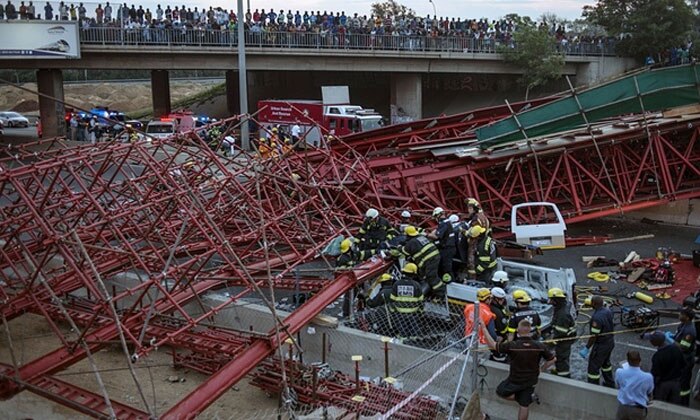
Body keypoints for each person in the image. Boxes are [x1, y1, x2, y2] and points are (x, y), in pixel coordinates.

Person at [480, 318, 556, 420]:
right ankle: (526, 398)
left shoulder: (513, 345)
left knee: (500, 391)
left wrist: (484, 328)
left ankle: (524, 398)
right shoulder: (539, 345)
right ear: (530, 331)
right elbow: (552, 359)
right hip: (531, 380)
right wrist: (541, 369)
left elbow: (492, 345)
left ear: (518, 331)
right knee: (524, 405)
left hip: (515, 380)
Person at [580, 295, 615, 387]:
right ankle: (610, 383)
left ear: (594, 304)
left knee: (593, 367)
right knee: (606, 364)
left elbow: (594, 336)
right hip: (610, 342)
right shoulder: (608, 311)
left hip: (601, 346)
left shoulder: (596, 318)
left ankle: (593, 387)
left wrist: (587, 348)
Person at [400, 225, 443, 298]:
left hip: (430, 259)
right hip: (435, 256)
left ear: (408, 235)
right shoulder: (421, 237)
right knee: (423, 275)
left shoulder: (411, 243)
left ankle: (440, 293)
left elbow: (405, 252)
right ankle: (429, 292)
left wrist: (399, 247)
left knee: (431, 276)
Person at [646, 330, 684, 404]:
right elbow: (683, 364)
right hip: (677, 383)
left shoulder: (657, 356)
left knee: (659, 404)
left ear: (654, 343)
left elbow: (655, 374)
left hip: (663, 385)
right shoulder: (676, 349)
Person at [614, 350, 654, 420]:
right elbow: (649, 392)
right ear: (640, 360)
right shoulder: (648, 377)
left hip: (623, 407)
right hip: (638, 409)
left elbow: (618, 385)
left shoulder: (619, 372)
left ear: (628, 361)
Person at [389, 263, 424, 339]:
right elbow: (421, 301)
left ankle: (402, 341)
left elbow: (392, 299)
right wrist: (420, 311)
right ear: (414, 274)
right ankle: (413, 340)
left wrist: (393, 311)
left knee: (402, 331)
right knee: (414, 331)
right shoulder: (417, 285)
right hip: (413, 313)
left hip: (399, 312)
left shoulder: (397, 284)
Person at [548, 287, 576, 378]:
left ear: (556, 300)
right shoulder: (563, 305)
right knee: (560, 356)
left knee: (561, 358)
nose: (550, 302)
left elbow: (560, 333)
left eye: (551, 300)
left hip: (564, 340)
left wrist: (551, 343)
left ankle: (564, 376)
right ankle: (559, 370)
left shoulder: (563, 315)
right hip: (566, 337)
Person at [672, 307, 696, 405]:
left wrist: (671, 341)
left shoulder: (689, 331)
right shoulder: (683, 325)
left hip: (686, 360)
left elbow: (683, 347)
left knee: (684, 382)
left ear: (686, 317)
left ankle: (683, 403)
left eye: (681, 314)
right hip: (680, 358)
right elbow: (677, 336)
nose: (679, 315)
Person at [428, 207, 456, 285]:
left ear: (439, 215)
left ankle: (450, 284)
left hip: (446, 249)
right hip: (450, 248)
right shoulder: (448, 222)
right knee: (446, 267)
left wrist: (426, 234)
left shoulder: (443, 224)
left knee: (446, 268)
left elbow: (437, 236)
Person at [463, 197, 490, 278]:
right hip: (482, 241)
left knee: (471, 262)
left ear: (475, 208)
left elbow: (474, 232)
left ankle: (473, 278)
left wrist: (464, 232)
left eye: (470, 208)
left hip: (475, 242)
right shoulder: (483, 216)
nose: (469, 210)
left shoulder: (476, 218)